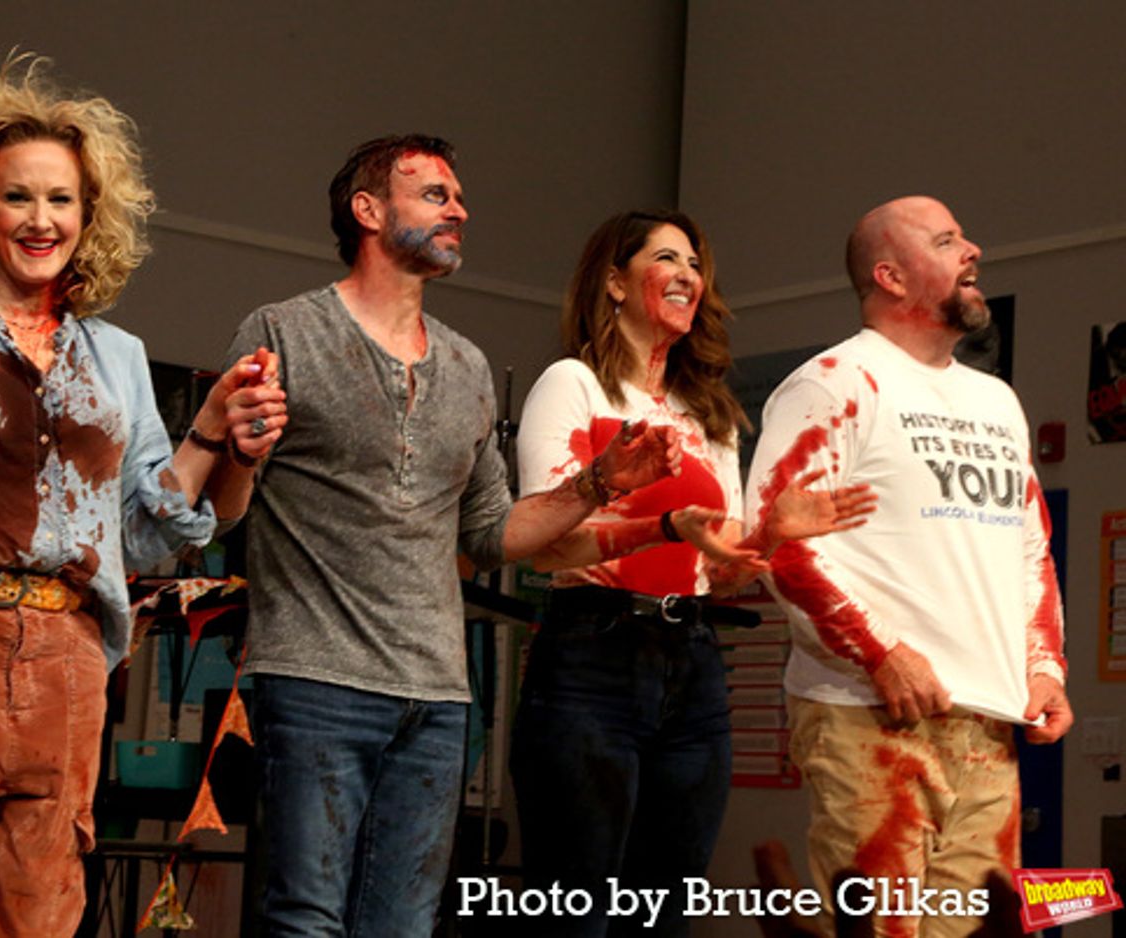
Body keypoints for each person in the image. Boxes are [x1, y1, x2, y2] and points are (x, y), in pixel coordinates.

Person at [0, 53, 285, 935]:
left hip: (71, 660)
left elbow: (150, 532)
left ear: (90, 214)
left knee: (38, 917)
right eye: (18, 196)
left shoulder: (116, 355)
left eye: (61, 199)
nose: (42, 219)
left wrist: (218, 428)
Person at [222, 137, 683, 936]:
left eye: (458, 196)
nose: (460, 209)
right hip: (314, 678)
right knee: (304, 920)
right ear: (368, 212)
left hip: (436, 697)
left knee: (402, 926)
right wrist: (231, 448)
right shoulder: (281, 332)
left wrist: (601, 483)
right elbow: (225, 510)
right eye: (435, 194)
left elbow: (495, 533)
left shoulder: (468, 366)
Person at [510, 210, 875, 937]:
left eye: (696, 265)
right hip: (591, 657)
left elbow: (725, 569)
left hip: (696, 665)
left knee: (669, 914)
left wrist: (773, 532)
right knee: (575, 911)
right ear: (614, 281)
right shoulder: (575, 384)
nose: (687, 276)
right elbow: (545, 542)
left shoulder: (709, 413)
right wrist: (655, 523)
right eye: (666, 259)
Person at [744, 196, 1072, 937]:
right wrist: (880, 653)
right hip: (871, 718)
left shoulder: (996, 400)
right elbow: (776, 540)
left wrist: (1044, 666)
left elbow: (1028, 546)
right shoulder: (832, 382)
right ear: (890, 275)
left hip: (987, 723)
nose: (973, 250)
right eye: (948, 240)